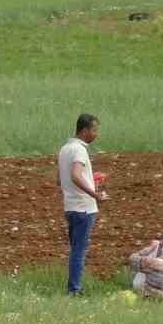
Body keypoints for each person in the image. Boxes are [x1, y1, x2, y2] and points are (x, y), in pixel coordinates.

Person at [57, 113, 105, 296]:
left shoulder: (64, 149)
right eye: (94, 130)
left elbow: (60, 179)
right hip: (83, 208)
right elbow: (76, 176)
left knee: (75, 249)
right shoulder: (79, 150)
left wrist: (91, 180)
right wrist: (95, 194)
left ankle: (74, 287)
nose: (96, 134)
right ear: (84, 131)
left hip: (70, 206)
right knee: (79, 251)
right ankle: (74, 289)